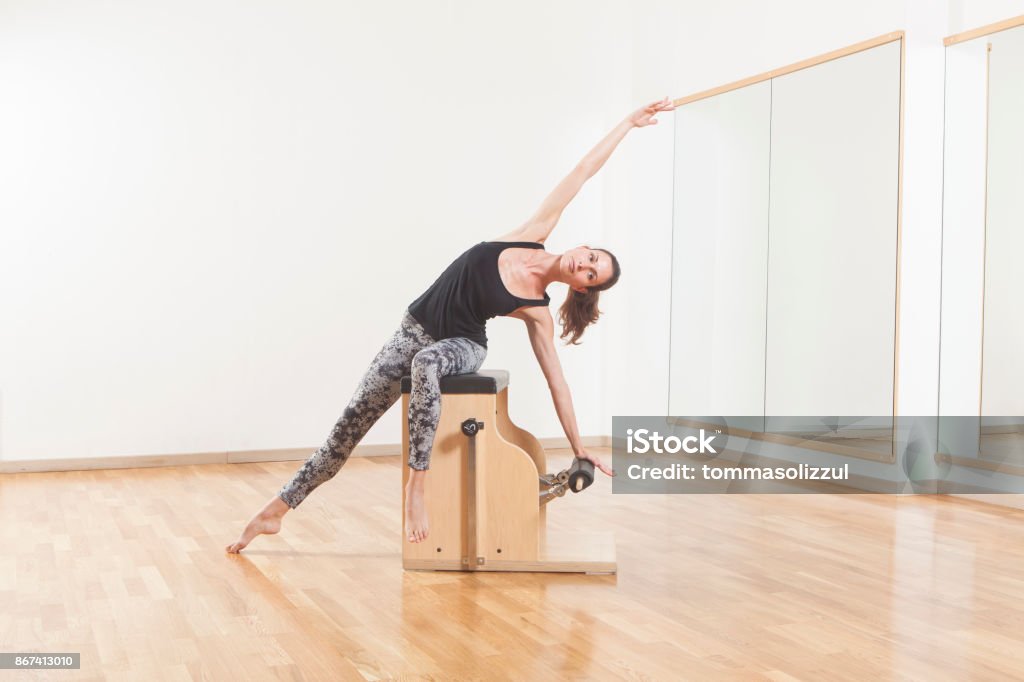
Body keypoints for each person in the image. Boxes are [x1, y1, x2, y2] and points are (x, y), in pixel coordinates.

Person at [226, 97, 675, 553]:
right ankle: (275, 512)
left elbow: (557, 381)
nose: (585, 265)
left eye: (590, 275)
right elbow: (583, 171)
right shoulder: (532, 231)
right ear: (584, 246)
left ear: (580, 288)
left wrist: (580, 448)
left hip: (461, 344)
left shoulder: (536, 309)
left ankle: (416, 486)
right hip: (412, 329)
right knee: (344, 435)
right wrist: (627, 124)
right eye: (592, 258)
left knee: (427, 363)